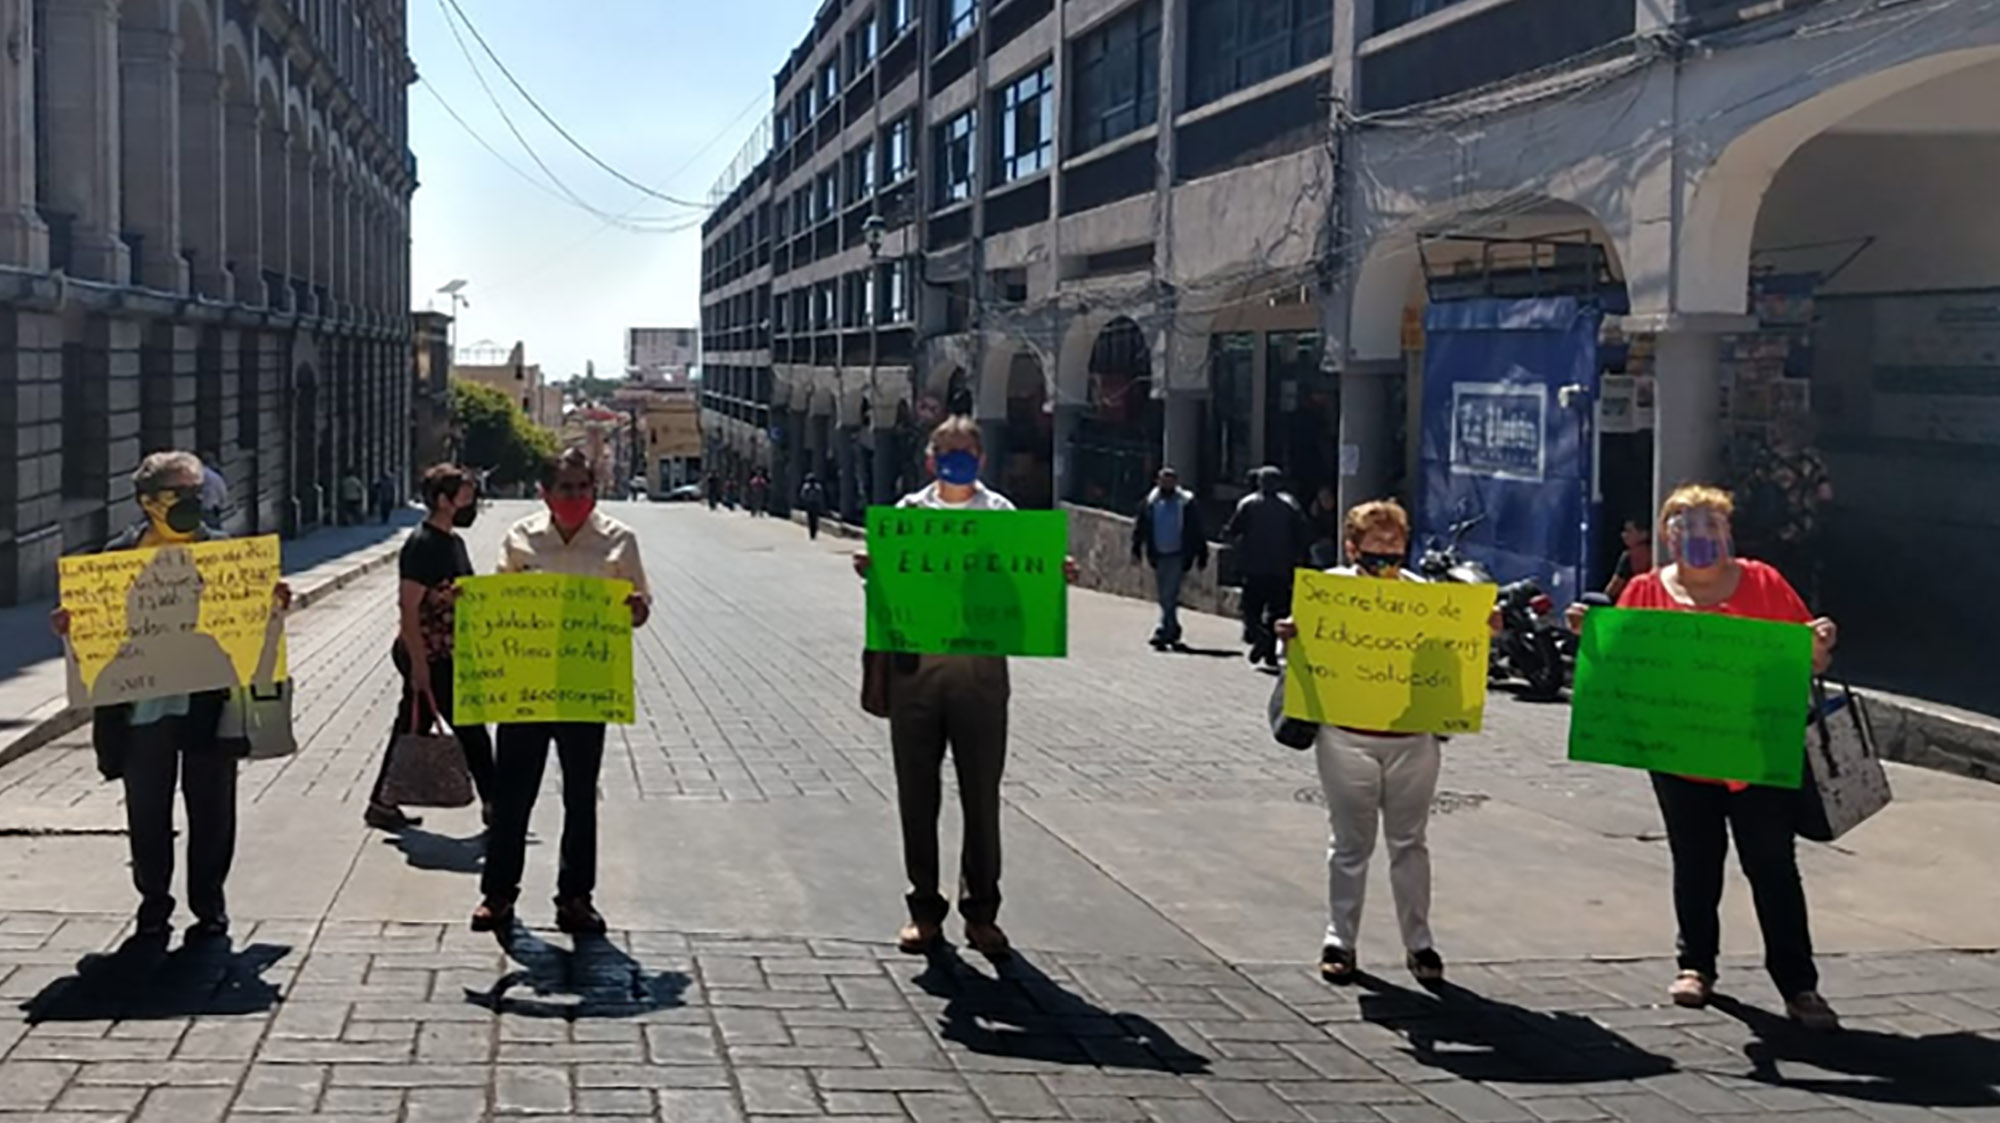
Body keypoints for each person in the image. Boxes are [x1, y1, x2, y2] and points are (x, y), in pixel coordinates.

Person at [1570, 484, 1841, 1030]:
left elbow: (1808, 659)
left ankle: (1799, 984)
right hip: (1681, 753)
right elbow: (1620, 668)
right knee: (1695, 861)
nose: (1701, 537)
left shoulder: (1763, 582)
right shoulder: (1645, 591)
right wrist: (1589, 636)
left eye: (1712, 527)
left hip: (1758, 753)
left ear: (1728, 534)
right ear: (1668, 537)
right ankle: (1695, 965)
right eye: (1687, 527)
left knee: (1773, 866)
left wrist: (1820, 644)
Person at [852, 417, 1077, 959]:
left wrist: (1052, 575)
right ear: (931, 459)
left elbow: (1021, 588)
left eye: (967, 450)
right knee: (916, 795)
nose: (957, 459)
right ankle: (923, 909)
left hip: (980, 674)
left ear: (981, 457)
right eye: (947, 450)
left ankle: (982, 913)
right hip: (914, 673)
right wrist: (870, 567)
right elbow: (888, 582)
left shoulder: (1000, 516)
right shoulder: (908, 515)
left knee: (981, 796)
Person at [50, 451, 290, 945]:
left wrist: (270, 606)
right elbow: (96, 637)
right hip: (142, 708)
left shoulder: (224, 554)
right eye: (180, 494)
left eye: (198, 493)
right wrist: (71, 631)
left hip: (209, 703)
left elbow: (245, 630)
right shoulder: (114, 559)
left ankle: (210, 905)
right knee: (146, 811)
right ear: (148, 501)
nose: (193, 503)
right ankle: (153, 902)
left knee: (213, 810)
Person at [1275, 499, 1496, 987]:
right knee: (1350, 844)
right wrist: (1289, 638)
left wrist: (1481, 633)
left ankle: (1419, 943)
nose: (1386, 558)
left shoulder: (1426, 596)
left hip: (1412, 740)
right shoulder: (1329, 593)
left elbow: (1455, 657)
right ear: (1352, 548)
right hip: (1345, 738)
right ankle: (1340, 939)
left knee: (1410, 842)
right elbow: (1295, 661)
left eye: (1394, 548)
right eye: (1375, 549)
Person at [475, 447, 652, 935]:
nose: (575, 496)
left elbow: (641, 609)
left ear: (594, 490)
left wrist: (634, 608)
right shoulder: (521, 538)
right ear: (545, 493)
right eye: (565, 487)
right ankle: (498, 894)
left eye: (583, 487)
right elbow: (497, 599)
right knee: (513, 796)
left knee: (580, 796)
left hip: (586, 687)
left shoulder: (619, 541)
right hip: (526, 686)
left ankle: (575, 897)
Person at [364, 464, 497, 832]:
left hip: (448, 651)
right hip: (428, 653)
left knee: (412, 724)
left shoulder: (454, 542)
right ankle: (496, 804)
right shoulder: (422, 544)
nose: (471, 503)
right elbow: (408, 606)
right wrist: (419, 666)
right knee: (471, 728)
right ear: (443, 501)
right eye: (465, 497)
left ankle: (382, 802)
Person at [1733, 415, 1834, 607]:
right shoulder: (1812, 461)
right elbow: (1826, 494)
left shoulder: (1767, 460)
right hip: (1802, 531)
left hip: (1770, 533)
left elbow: (1746, 492)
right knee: (1800, 584)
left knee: (1768, 582)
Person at [1222, 466, 1309, 668]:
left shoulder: (1249, 503)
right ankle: (1270, 650)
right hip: (1280, 568)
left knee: (1250, 610)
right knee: (1277, 611)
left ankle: (1261, 637)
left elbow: (1233, 529)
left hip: (1254, 566)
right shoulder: (1290, 505)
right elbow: (1302, 534)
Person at [1130, 467, 1209, 649]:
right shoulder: (1150, 502)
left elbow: (1197, 529)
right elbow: (1140, 527)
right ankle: (1172, 628)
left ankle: (1163, 630)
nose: (1167, 484)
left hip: (1178, 554)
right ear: (1158, 481)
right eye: (1163, 480)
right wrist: (1136, 550)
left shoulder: (1186, 502)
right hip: (1158, 554)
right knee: (1164, 594)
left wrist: (1201, 554)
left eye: (1170, 480)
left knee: (1169, 594)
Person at [1605, 518, 1654, 601]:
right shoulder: (1655, 553)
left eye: (1629, 531)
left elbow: (1613, 589)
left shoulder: (1629, 556)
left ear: (1644, 534)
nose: (1623, 535)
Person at [199, 451, 229, 528]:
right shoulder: (214, 476)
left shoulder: (194, 474)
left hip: (195, 508)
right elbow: (223, 492)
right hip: (211, 507)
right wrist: (221, 504)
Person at [799, 474, 828, 540]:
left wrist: (805, 501)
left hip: (811, 505)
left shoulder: (806, 487)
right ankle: (813, 533)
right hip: (814, 505)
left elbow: (802, 495)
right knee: (814, 519)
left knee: (811, 519)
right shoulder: (817, 487)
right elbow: (821, 496)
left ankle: (812, 533)